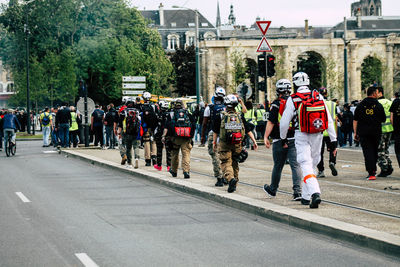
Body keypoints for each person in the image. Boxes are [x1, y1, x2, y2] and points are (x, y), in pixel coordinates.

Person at [280, 72, 337, 209]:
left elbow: (284, 123)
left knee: (305, 163)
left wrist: (283, 138)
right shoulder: (318, 96)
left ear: (294, 83)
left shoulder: (293, 99)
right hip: (318, 134)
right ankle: (306, 197)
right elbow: (328, 119)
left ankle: (315, 192)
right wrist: (333, 139)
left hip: (301, 133)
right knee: (313, 164)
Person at [263, 79, 302, 201]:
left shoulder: (276, 104)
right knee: (295, 165)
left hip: (279, 139)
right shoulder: (295, 102)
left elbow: (271, 122)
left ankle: (273, 189)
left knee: (278, 166)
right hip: (294, 137)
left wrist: (265, 136)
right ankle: (298, 192)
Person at [213, 95, 258, 193]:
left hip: (225, 143)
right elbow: (247, 130)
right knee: (235, 163)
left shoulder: (221, 115)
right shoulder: (239, 116)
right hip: (237, 143)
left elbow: (215, 131)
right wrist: (254, 141)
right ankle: (235, 182)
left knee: (226, 162)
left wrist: (214, 143)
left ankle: (230, 179)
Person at [353, 86, 386, 180]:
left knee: (367, 152)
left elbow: (355, 120)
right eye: (376, 92)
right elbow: (383, 119)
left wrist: (355, 132)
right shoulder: (378, 105)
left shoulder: (360, 105)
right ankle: (373, 170)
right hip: (376, 132)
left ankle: (371, 172)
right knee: (375, 151)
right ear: (374, 93)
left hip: (363, 132)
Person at [162, 99, 195, 178]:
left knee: (174, 154)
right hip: (186, 137)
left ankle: (174, 171)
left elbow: (166, 126)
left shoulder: (171, 113)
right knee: (186, 154)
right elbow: (193, 123)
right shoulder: (187, 112)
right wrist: (191, 136)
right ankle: (186, 171)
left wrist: (163, 136)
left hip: (174, 138)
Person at [201, 87, 226, 186]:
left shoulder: (209, 107)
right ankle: (227, 176)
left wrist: (203, 137)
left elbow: (204, 123)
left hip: (213, 133)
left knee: (214, 155)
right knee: (225, 156)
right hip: (225, 134)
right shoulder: (227, 107)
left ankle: (219, 178)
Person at [316, 87, 338, 178]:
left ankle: (321, 170)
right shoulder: (333, 104)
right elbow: (335, 119)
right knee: (333, 149)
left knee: (319, 152)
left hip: (320, 131)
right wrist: (335, 133)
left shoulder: (317, 104)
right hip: (330, 131)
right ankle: (332, 162)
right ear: (326, 94)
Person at [117, 102, 141, 169]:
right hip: (136, 133)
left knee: (128, 148)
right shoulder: (137, 112)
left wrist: (119, 133)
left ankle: (129, 163)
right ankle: (136, 158)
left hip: (127, 133)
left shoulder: (124, 112)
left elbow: (120, 124)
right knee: (136, 146)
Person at [377, 87, 394, 177]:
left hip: (381, 130)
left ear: (380, 93)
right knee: (386, 149)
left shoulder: (377, 103)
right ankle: (389, 165)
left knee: (380, 151)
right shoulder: (389, 102)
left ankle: (384, 168)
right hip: (390, 129)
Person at [141, 92, 159, 166]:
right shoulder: (154, 106)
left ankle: (148, 159)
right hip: (153, 127)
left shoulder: (142, 107)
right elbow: (157, 116)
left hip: (146, 127)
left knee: (146, 142)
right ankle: (154, 156)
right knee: (154, 142)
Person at [154, 101, 172, 171]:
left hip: (160, 133)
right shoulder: (170, 114)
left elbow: (156, 124)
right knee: (169, 151)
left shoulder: (159, 115)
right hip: (168, 134)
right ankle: (169, 166)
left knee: (159, 150)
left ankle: (159, 165)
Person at [390, 91, 400, 168]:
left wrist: (394, 128)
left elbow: (391, 118)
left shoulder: (395, 102)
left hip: (398, 130)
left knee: (398, 150)